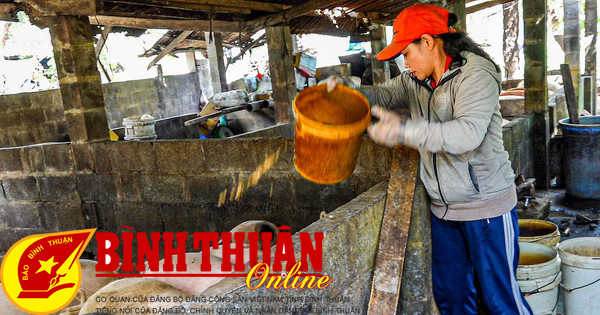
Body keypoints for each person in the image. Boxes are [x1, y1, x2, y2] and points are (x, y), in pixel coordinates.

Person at [330, 4, 533, 315]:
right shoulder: (415, 79)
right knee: (451, 297)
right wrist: (346, 92)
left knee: (500, 300)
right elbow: (383, 97)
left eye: (407, 54)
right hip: (444, 212)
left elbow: (466, 135)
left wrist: (403, 130)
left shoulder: (475, 74)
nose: (405, 63)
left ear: (427, 41)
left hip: (486, 208)